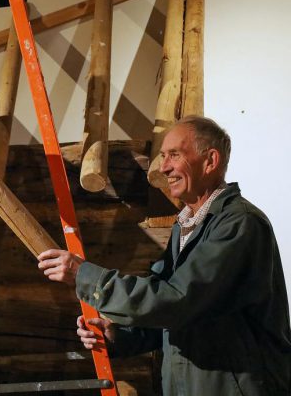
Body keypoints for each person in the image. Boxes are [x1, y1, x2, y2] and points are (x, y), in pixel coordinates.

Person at [37, 116, 291, 395]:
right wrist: (118, 335)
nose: (164, 166)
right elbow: (173, 319)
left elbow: (175, 301)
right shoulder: (188, 226)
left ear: (210, 161)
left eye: (174, 155)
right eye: (162, 156)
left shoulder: (239, 224)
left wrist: (84, 275)